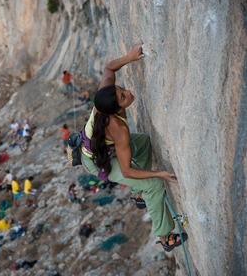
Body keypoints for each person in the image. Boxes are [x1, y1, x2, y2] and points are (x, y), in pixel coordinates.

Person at [80, 40, 187, 252]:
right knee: (155, 186)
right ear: (114, 110)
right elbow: (127, 170)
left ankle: (139, 194)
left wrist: (128, 58)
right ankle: (165, 237)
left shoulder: (105, 96)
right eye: (123, 97)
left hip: (100, 149)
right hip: (97, 162)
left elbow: (109, 68)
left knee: (144, 142)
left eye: (121, 89)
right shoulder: (118, 130)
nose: (128, 93)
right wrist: (158, 175)